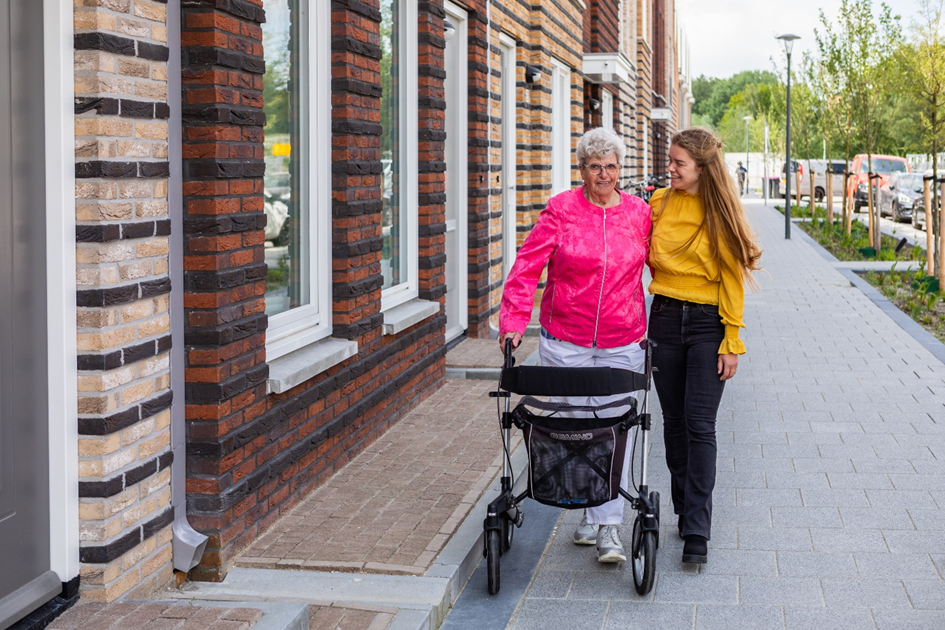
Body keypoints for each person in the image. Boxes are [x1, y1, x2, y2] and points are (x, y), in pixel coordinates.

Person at [498, 127, 651, 563]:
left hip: (623, 338)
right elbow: (527, 267)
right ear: (581, 169)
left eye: (611, 166)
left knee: (615, 425)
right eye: (594, 166)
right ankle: (589, 507)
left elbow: (666, 263)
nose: (603, 174)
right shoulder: (561, 210)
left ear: (621, 169)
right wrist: (512, 320)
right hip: (565, 337)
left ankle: (608, 527)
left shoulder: (639, 214)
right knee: (574, 422)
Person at [647, 128, 762, 565]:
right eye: (670, 160)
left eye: (679, 163)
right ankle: (682, 504)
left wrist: (731, 340)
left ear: (702, 168)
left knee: (700, 423)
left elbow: (733, 280)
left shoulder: (720, 214)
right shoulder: (659, 203)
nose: (670, 168)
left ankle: (697, 527)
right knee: (673, 423)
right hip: (663, 317)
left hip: (707, 326)